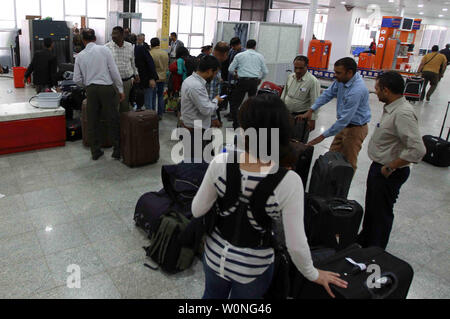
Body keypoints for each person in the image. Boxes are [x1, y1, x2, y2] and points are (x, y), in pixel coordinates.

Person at [191, 94, 348, 299]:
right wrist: (313, 274)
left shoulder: (221, 161)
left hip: (214, 257)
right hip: (252, 267)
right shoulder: (288, 181)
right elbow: (296, 244)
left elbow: (197, 210)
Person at [357, 71, 426, 249]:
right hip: (379, 168)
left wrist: (391, 166)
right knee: (372, 209)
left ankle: (375, 250)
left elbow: (418, 149)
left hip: (388, 172)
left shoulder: (402, 113)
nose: (376, 92)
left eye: (377, 89)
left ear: (386, 90)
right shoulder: (392, 108)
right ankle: (366, 240)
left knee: (381, 214)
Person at [298, 57, 371, 171]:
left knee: (348, 163)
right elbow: (327, 94)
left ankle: (342, 188)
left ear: (350, 72)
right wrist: (311, 110)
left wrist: (321, 137)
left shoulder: (357, 90)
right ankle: (328, 185)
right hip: (343, 125)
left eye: (338, 73)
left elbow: (344, 120)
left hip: (355, 129)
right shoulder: (341, 80)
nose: (335, 75)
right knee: (332, 156)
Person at [73, 29, 124, 161]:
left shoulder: (80, 56)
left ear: (83, 40)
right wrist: (120, 89)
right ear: (95, 38)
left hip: (91, 90)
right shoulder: (104, 50)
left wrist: (87, 85)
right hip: (107, 89)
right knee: (112, 119)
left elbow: (76, 79)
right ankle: (117, 150)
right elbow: (114, 71)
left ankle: (95, 151)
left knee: (92, 121)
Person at [179, 55, 224, 162]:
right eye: (215, 73)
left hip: (195, 127)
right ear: (209, 71)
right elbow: (206, 109)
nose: (214, 76)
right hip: (195, 131)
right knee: (196, 162)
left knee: (201, 158)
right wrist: (216, 100)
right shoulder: (196, 86)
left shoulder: (190, 80)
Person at [228, 39, 268, 129]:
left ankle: (236, 124)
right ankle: (250, 125)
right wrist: (260, 79)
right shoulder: (260, 56)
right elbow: (265, 71)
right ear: (255, 46)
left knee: (235, 104)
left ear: (246, 45)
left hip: (242, 81)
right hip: (254, 82)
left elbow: (230, 69)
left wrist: (236, 75)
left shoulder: (239, 55)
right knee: (252, 104)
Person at [281, 55, 321, 132]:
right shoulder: (290, 77)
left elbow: (315, 102)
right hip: (287, 114)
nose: (298, 71)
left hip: (301, 117)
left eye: (301, 68)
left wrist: (312, 119)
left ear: (307, 67)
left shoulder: (313, 81)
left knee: (297, 138)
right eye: (296, 68)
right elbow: (284, 94)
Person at [106, 26, 140, 113]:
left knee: (125, 106)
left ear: (122, 35)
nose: (113, 36)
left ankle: (124, 125)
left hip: (127, 82)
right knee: (114, 106)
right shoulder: (107, 47)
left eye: (115, 34)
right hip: (113, 82)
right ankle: (115, 125)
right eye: (112, 34)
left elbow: (133, 62)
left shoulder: (129, 46)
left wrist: (136, 74)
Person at [205, 41, 230, 128]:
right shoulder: (213, 66)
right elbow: (210, 96)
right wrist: (214, 117)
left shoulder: (208, 60)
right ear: (225, 54)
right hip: (207, 113)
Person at [223, 37, 246, 120]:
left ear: (239, 44)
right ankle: (231, 113)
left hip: (238, 78)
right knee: (230, 96)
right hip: (230, 76)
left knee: (236, 98)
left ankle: (234, 116)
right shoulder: (232, 51)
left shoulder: (244, 53)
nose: (233, 48)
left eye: (234, 46)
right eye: (232, 46)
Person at [135, 36, 159, 112]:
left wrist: (152, 78)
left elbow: (150, 63)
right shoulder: (136, 49)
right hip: (138, 81)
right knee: (142, 103)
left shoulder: (141, 49)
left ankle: (151, 120)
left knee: (149, 104)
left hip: (147, 80)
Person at [150, 37, 169, 119]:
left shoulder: (151, 53)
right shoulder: (165, 53)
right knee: (160, 96)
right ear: (159, 44)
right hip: (163, 77)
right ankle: (160, 114)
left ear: (151, 44)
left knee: (153, 96)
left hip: (154, 78)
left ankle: (153, 114)